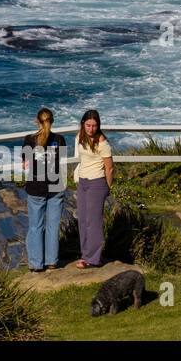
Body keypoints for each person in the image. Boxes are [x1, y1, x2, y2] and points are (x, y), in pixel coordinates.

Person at [21, 107, 67, 272]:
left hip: (36, 187)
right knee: (53, 226)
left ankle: (36, 264)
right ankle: (51, 262)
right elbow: (61, 163)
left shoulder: (29, 140)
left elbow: (25, 164)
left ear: (37, 121)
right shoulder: (60, 140)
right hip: (56, 187)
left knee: (35, 226)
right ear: (52, 121)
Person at [73, 108, 114, 268]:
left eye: (94, 125)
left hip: (97, 183)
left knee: (93, 221)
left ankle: (93, 258)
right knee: (82, 220)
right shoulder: (80, 137)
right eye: (88, 125)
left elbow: (109, 168)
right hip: (83, 182)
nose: (91, 129)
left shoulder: (102, 143)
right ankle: (85, 255)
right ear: (83, 124)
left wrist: (108, 187)